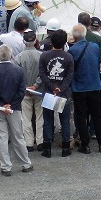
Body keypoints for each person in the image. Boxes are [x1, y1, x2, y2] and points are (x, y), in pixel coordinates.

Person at [0, 45, 33, 176]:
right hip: (15, 108)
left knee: (2, 137)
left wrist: (2, 105)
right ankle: (25, 163)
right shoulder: (18, 70)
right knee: (18, 136)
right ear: (11, 55)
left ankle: (6, 166)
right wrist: (11, 105)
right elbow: (21, 90)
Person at [69, 24, 101, 154]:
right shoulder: (94, 47)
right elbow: (98, 61)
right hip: (94, 85)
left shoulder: (72, 51)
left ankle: (85, 144)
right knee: (96, 115)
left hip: (79, 87)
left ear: (74, 36)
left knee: (81, 116)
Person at [39, 29, 74, 158]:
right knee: (65, 121)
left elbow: (42, 74)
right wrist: (61, 88)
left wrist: (52, 87)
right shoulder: (68, 56)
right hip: (63, 94)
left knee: (48, 121)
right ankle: (65, 148)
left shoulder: (44, 56)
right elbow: (69, 76)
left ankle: (47, 148)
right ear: (65, 42)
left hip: (49, 93)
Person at [14, 30, 43, 152]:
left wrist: (25, 86)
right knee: (40, 116)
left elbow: (17, 75)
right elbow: (43, 73)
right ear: (35, 41)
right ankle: (40, 141)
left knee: (26, 117)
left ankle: (29, 142)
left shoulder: (18, 57)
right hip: (39, 90)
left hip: (24, 91)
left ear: (23, 42)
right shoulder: (41, 55)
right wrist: (36, 85)